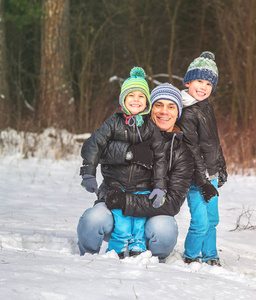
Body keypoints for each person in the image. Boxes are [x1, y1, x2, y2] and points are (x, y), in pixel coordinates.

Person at [77, 82, 194, 261]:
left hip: (151, 213)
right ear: (150, 108)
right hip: (113, 203)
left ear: (178, 112)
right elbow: (92, 147)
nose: (164, 111)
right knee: (92, 220)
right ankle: (88, 257)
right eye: (159, 105)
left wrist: (125, 201)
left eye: (171, 107)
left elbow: (172, 202)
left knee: (164, 230)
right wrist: (129, 154)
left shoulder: (182, 152)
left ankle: (149, 258)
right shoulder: (126, 129)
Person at [176, 51, 228, 266]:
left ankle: (210, 254)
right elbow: (192, 149)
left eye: (208, 83)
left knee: (212, 219)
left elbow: (213, 142)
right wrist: (202, 180)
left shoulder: (206, 107)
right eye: (199, 80)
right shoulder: (187, 111)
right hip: (196, 177)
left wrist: (221, 166)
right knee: (200, 220)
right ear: (188, 82)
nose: (203, 87)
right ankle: (191, 255)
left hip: (211, 174)